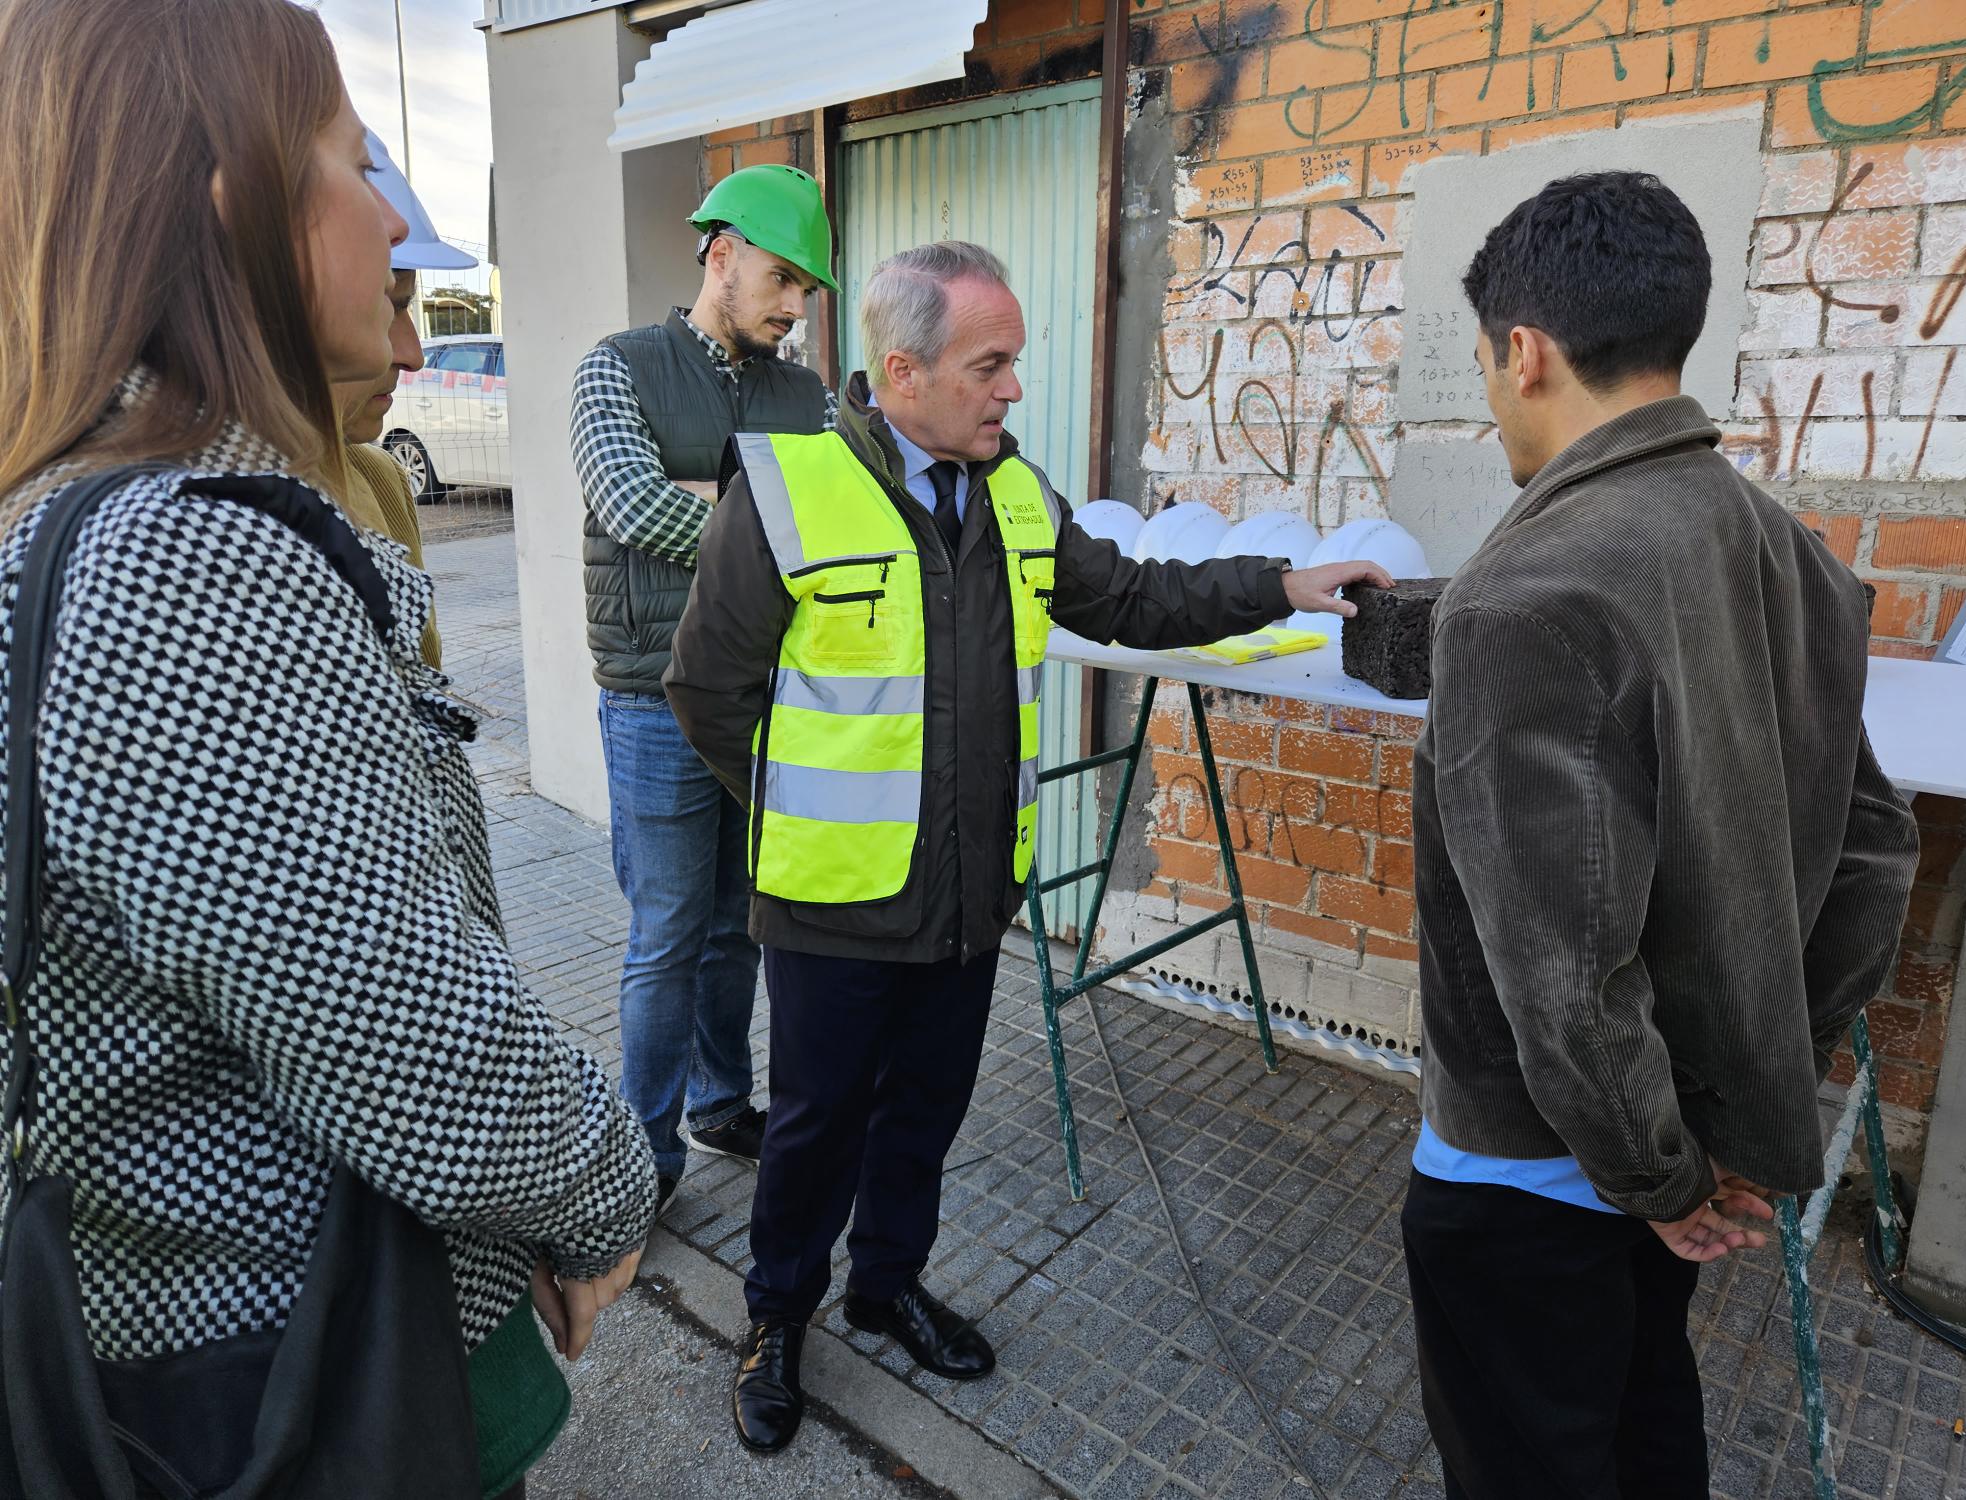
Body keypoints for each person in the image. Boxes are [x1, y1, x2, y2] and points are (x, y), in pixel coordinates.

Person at [0, 2, 658, 1495]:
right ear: (234, 200)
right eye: (358, 163)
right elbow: (420, 1046)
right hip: (301, 1368)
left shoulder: (74, 513)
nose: (388, 219)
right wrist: (607, 1194)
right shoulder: (186, 564)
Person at [664, 240, 1395, 1455]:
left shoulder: (1013, 493)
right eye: (988, 366)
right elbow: (708, 692)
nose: (1011, 392)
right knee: (811, 1129)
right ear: (902, 373)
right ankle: (775, 1321)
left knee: (925, 1115)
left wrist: (1286, 581)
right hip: (832, 907)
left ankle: (885, 1289)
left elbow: (1133, 601)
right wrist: (799, 816)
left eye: (1014, 366)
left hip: (965, 899)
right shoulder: (785, 495)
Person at [1401, 171, 1920, 1499]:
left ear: (1525, 351)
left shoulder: (1522, 592)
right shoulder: (1785, 546)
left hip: (1537, 1167)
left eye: (1483, 365)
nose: (1489, 399)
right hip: (1676, 1136)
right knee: (1640, 1430)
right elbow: (1873, 854)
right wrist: (1746, 1103)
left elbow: (1565, 978)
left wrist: (1660, 1177)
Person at [570, 163, 840, 1213]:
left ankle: (722, 1101)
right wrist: (759, 512)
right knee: (667, 931)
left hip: (763, 693)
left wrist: (726, 502)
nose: (793, 308)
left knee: (740, 920)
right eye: (781, 281)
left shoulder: (801, 392)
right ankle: (641, 1158)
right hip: (650, 696)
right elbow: (635, 506)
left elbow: (827, 521)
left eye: (807, 292)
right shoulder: (616, 370)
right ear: (720, 254)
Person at [329, 126, 479, 670]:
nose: (413, 355)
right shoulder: (176, 536)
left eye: (407, 307)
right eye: (385, 303)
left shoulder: (380, 478)